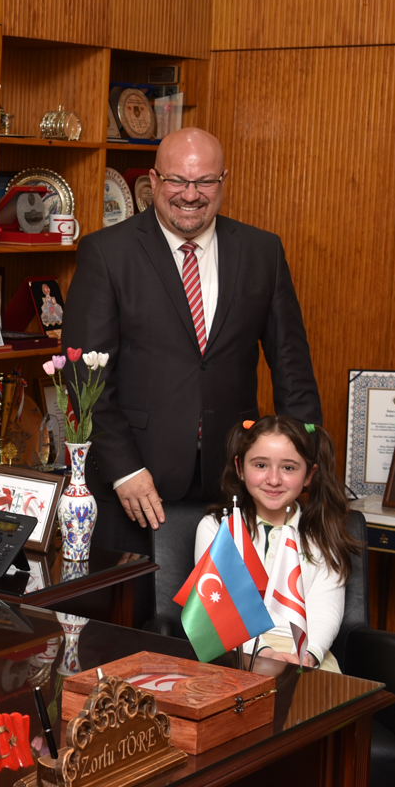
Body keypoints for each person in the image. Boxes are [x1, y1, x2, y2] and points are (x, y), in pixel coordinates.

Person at [62, 127, 320, 554]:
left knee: (234, 598)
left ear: (223, 181)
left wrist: (304, 462)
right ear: (154, 180)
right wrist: (124, 469)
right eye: (177, 180)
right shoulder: (108, 253)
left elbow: (293, 368)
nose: (190, 194)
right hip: (135, 486)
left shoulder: (263, 252)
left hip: (235, 482)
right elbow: (85, 377)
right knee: (134, 599)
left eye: (205, 182)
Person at [194, 416, 358, 672]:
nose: (273, 479)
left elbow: (325, 608)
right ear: (240, 467)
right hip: (236, 650)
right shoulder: (216, 528)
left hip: (305, 653)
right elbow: (219, 607)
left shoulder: (324, 532)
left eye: (288, 468)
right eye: (260, 465)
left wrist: (308, 654)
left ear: (309, 475)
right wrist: (264, 654)